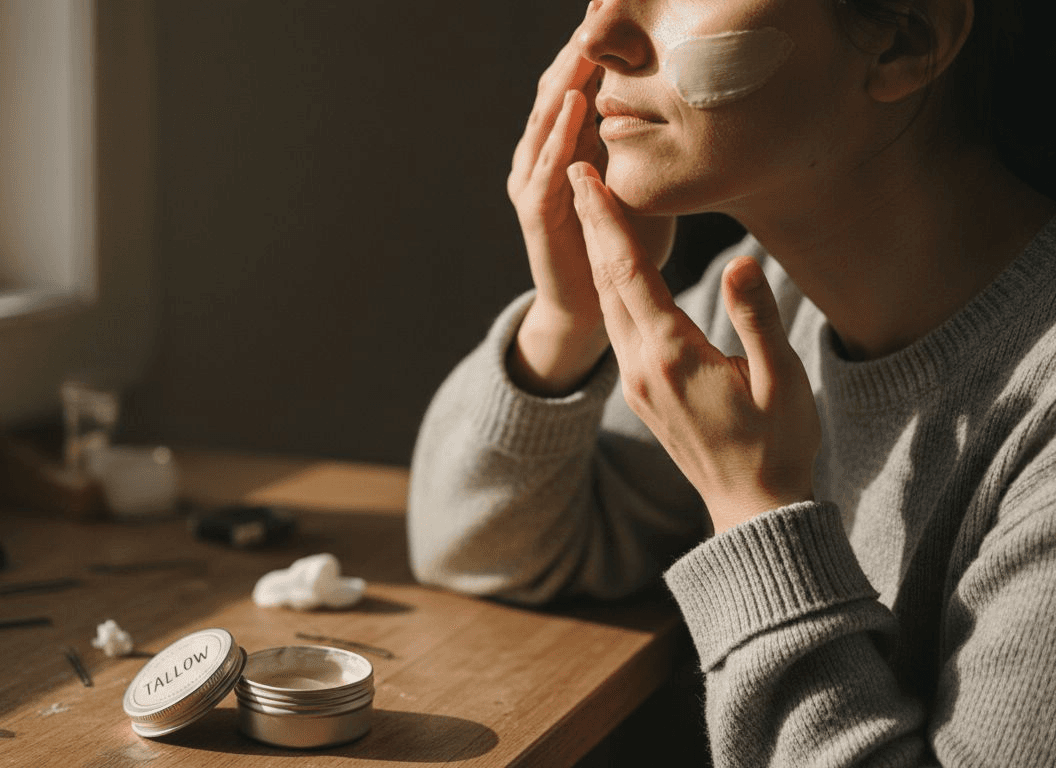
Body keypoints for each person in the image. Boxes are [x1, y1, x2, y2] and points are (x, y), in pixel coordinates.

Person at [406, 0, 1056, 764]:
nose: (597, 36)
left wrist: (754, 508)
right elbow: (478, 550)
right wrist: (568, 319)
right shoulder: (762, 300)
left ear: (904, 43)